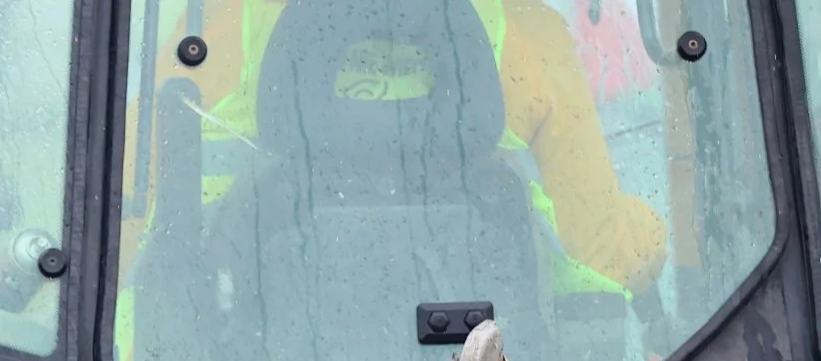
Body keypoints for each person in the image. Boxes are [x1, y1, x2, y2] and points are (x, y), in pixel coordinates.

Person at [166, 0, 665, 292]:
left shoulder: (212, 27)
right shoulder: (525, 30)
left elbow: (132, 236)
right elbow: (603, 262)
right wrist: (652, 232)